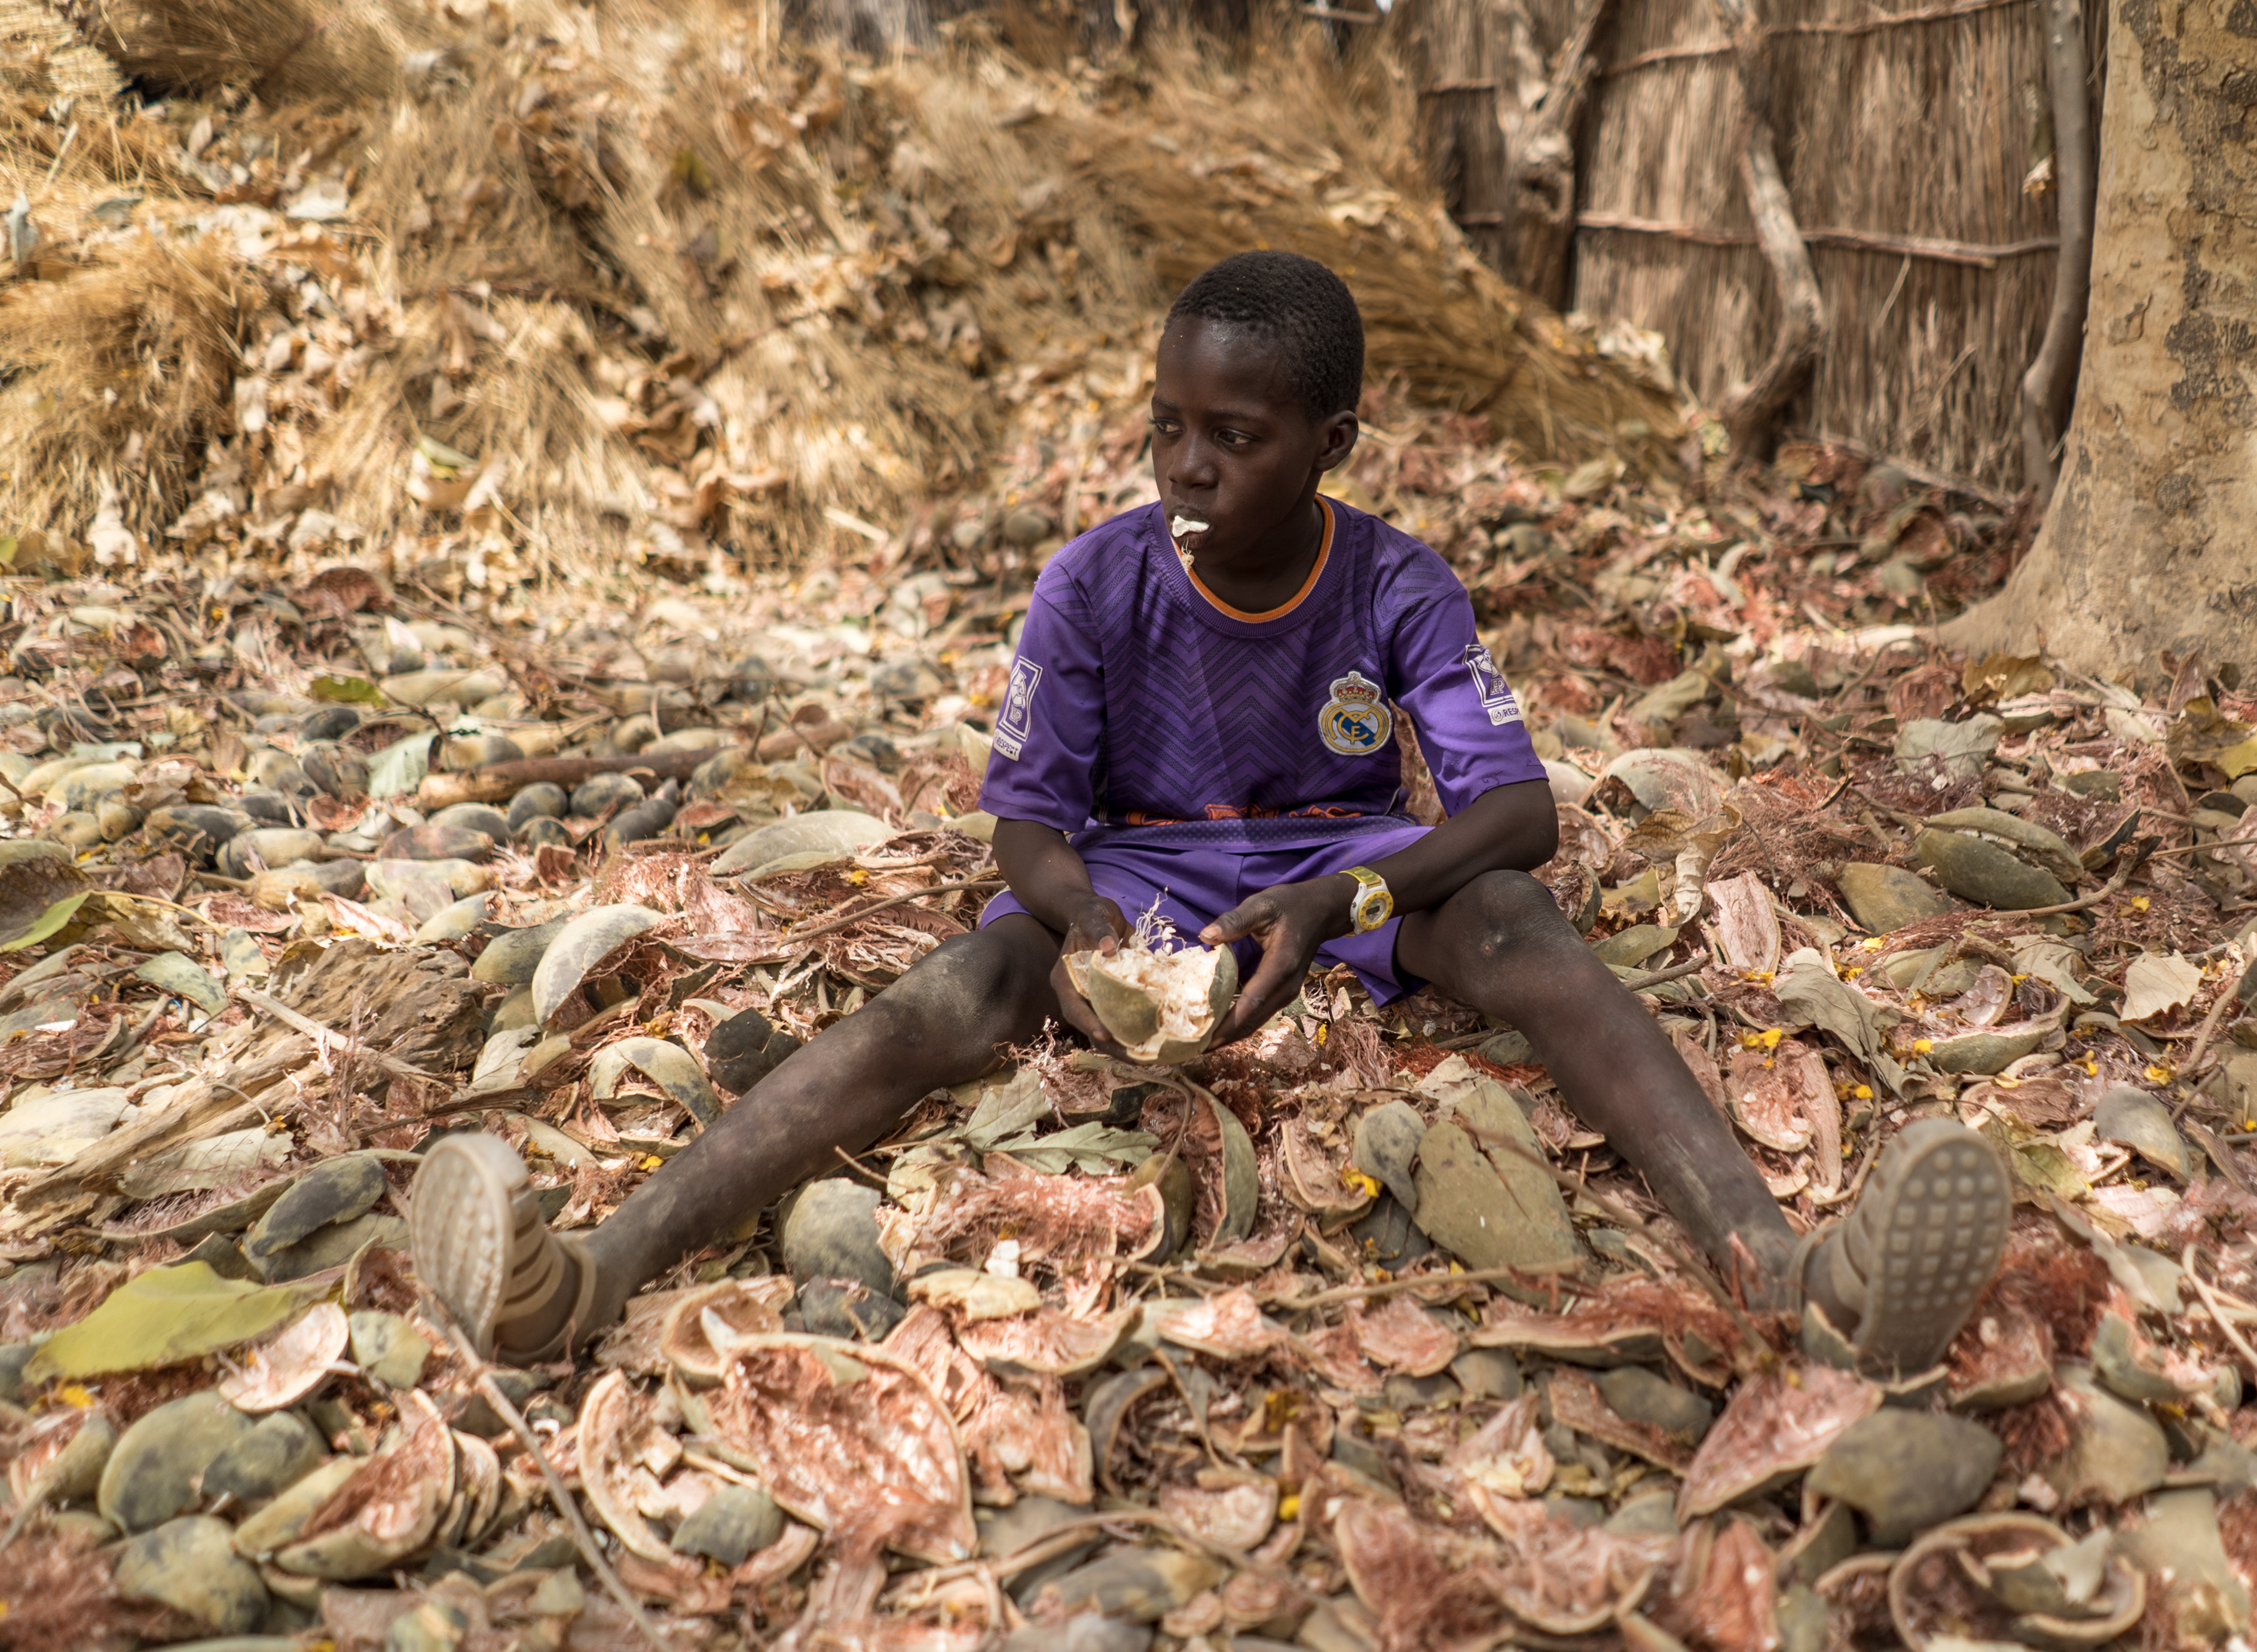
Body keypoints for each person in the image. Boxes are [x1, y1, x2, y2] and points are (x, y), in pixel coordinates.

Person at [409, 251, 2007, 1378]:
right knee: (952, 992)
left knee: (1514, 926)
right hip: (1137, 887)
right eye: (1165, 422)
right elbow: (1025, 828)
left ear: (1331, 445)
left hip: (1344, 882)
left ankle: (1783, 1272)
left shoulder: (1397, 583)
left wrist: (1351, 903)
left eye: (1233, 439)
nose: (1186, 463)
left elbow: (1516, 810)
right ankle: (594, 1272)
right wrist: (1088, 926)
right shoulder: (1094, 584)